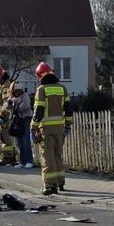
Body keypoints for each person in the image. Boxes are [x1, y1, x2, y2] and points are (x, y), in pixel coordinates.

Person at [31, 60, 72, 194]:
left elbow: (39, 110)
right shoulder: (62, 88)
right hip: (60, 128)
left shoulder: (41, 89)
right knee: (58, 154)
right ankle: (60, 182)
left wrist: (33, 127)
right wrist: (68, 125)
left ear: (40, 76)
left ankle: (50, 185)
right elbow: (68, 108)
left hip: (46, 130)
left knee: (47, 157)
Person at [7, 81, 35, 168]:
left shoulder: (25, 95)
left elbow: (25, 106)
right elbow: (7, 107)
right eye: (16, 89)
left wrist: (15, 107)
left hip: (24, 119)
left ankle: (29, 160)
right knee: (19, 142)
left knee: (25, 140)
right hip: (16, 120)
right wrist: (9, 104)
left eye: (19, 89)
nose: (17, 91)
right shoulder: (11, 97)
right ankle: (22, 161)